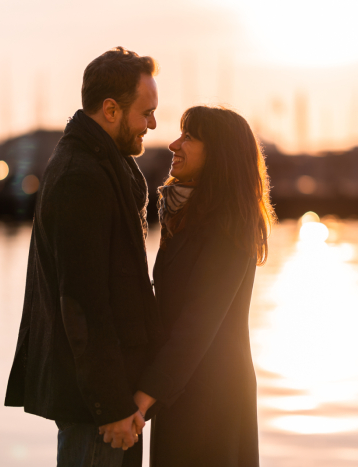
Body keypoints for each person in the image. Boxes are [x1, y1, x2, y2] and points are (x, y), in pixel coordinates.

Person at [4, 47, 162, 467]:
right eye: (146, 113)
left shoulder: (102, 165)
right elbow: (84, 304)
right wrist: (111, 406)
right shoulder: (81, 176)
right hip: (97, 409)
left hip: (109, 398)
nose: (153, 123)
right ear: (110, 109)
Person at [122, 106, 276, 466]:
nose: (174, 144)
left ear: (219, 154)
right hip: (179, 388)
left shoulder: (231, 228)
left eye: (189, 137)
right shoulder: (182, 214)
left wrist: (142, 400)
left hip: (213, 398)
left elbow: (197, 324)